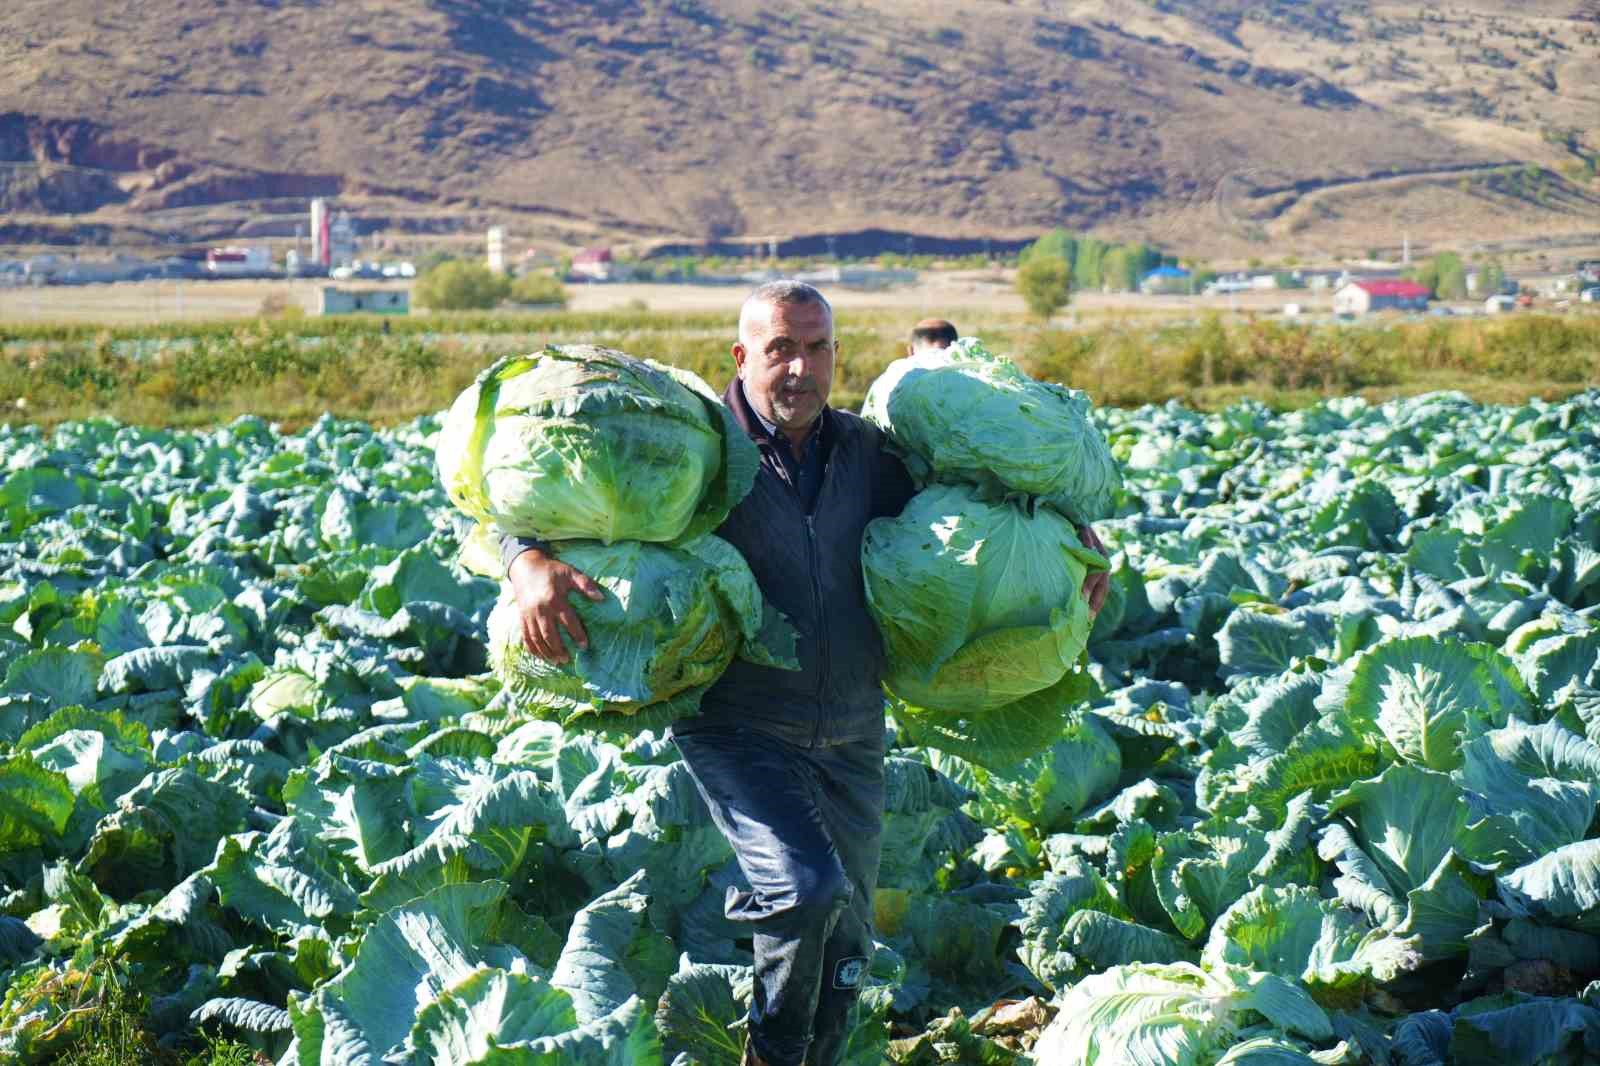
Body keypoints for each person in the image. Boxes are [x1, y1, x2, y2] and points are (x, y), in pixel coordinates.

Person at [501, 281, 1109, 1066]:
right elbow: (554, 494)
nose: (800, 369)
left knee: (848, 941)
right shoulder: (699, 451)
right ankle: (770, 1056)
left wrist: (1073, 535)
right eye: (781, 348)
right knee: (803, 889)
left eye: (817, 348)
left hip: (851, 725)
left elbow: (982, 494)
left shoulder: (868, 453)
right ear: (742, 354)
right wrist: (527, 562)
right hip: (740, 724)